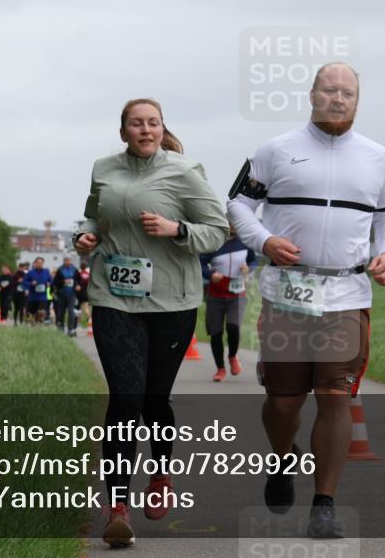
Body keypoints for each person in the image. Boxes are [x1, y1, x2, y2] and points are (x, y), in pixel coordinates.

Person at [228, 63, 385, 538]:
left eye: (348, 92)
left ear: (358, 99)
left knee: (335, 398)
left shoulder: (376, 157)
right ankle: (283, 459)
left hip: (347, 294)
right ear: (312, 94)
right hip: (287, 294)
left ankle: (324, 501)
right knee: (284, 403)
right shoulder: (275, 151)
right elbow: (237, 205)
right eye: (330, 90)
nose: (338, 98)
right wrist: (264, 241)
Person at [73, 97, 228, 547]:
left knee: (154, 400)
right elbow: (92, 215)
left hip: (171, 302)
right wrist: (85, 237)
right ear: (123, 132)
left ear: (162, 129)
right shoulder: (103, 168)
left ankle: (160, 474)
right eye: (136, 124)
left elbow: (216, 231)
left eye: (153, 123)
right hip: (113, 296)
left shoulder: (184, 172)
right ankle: (117, 506)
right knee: (125, 398)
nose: (145, 130)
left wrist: (176, 229)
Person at [199, 223, 257, 381]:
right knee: (216, 333)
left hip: (237, 295)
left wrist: (249, 268)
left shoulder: (244, 242)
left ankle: (232, 356)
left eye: (235, 223)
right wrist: (210, 274)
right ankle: (220, 369)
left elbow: (254, 261)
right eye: (230, 223)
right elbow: (200, 264)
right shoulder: (214, 242)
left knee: (233, 327)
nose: (233, 226)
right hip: (216, 295)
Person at [53, 257, 82, 336]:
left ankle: (71, 329)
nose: (68, 262)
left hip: (72, 294)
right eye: (66, 260)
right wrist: (63, 281)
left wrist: (78, 285)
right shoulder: (60, 270)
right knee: (61, 312)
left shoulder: (75, 270)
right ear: (64, 261)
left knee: (71, 311)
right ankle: (61, 327)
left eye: (69, 260)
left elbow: (79, 280)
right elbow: (55, 282)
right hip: (62, 294)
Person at [24, 258, 52, 325]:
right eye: (38, 262)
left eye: (41, 263)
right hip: (33, 297)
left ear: (43, 263)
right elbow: (24, 282)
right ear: (35, 263)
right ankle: (34, 324)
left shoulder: (46, 272)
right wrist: (31, 283)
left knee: (41, 311)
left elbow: (51, 280)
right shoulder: (31, 273)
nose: (40, 264)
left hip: (42, 296)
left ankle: (40, 322)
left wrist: (49, 283)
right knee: (32, 314)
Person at [76, 260, 91, 330]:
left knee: (79, 309)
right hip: (86, 293)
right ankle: (89, 321)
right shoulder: (88, 274)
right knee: (86, 308)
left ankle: (78, 323)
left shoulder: (79, 274)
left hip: (79, 293)